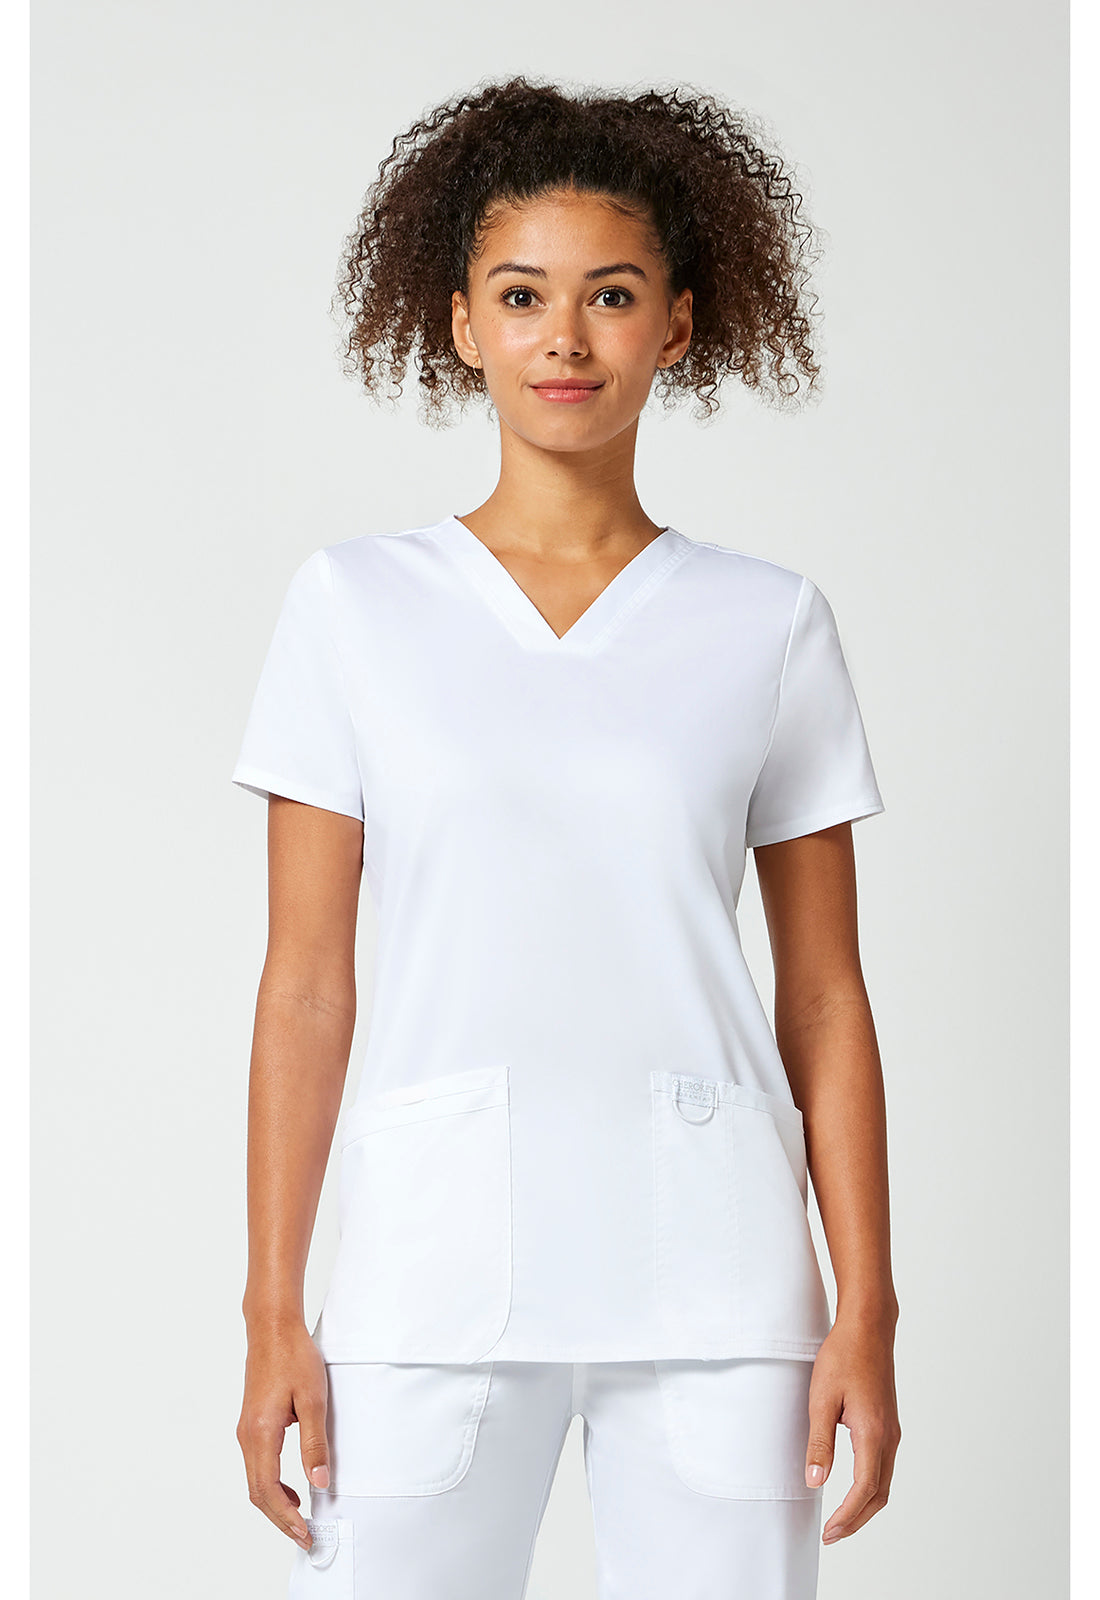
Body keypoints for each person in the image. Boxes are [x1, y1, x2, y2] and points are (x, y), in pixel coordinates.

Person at [231, 75, 901, 1600]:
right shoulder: (353, 610)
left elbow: (824, 996)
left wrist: (866, 1306)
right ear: (461, 324)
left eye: (612, 294)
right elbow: (306, 987)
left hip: (722, 1288)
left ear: (678, 324)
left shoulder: (767, 624)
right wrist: (274, 1309)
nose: (567, 339)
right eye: (523, 295)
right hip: (427, 1281)